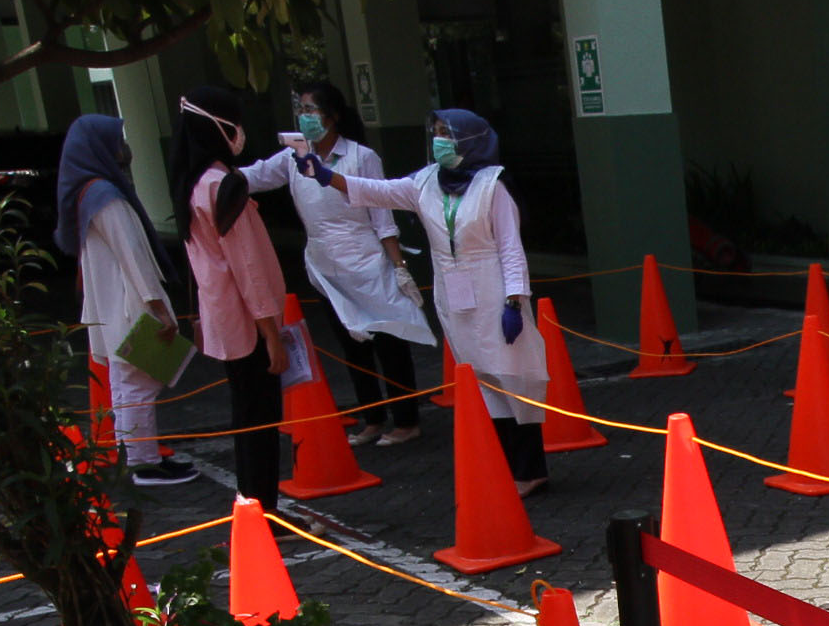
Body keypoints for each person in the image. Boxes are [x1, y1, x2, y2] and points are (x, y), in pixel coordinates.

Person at [343, 108, 554, 491]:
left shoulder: (493, 185)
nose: (439, 139)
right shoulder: (425, 181)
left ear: (469, 140)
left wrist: (514, 301)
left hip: (492, 288)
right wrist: (327, 177)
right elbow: (378, 191)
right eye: (436, 131)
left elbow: (510, 247)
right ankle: (504, 464)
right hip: (452, 289)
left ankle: (530, 469)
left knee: (510, 374)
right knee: (480, 376)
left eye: (447, 133)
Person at [249, 79, 439, 446]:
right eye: (300, 110)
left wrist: (398, 267)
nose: (304, 118)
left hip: (367, 262)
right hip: (325, 265)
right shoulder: (293, 156)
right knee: (353, 346)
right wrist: (215, 179)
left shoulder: (360, 157)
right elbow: (257, 175)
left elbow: (382, 215)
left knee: (389, 341)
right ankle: (372, 418)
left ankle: (406, 419)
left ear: (332, 116)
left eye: (311, 110)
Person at [55, 116, 192, 491]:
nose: (123, 149)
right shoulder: (105, 196)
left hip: (113, 306)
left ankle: (137, 456)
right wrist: (158, 306)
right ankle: (143, 462)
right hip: (130, 304)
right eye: (117, 141)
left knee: (128, 385)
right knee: (138, 385)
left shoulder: (88, 194)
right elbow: (133, 254)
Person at [174, 87, 292, 503]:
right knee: (259, 418)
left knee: (246, 415)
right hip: (247, 322)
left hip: (225, 317)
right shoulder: (222, 186)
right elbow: (249, 267)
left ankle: (251, 501)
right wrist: (271, 333)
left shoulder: (192, 183)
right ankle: (261, 507)